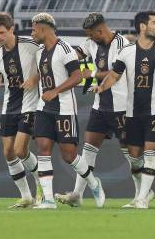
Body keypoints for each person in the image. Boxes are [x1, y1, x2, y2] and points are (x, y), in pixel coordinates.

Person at [54, 13, 155, 208]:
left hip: (122, 108)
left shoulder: (123, 44)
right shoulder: (91, 42)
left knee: (133, 155)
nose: (90, 38)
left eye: (92, 34)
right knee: (88, 150)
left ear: (100, 30)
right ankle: (77, 194)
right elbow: (76, 55)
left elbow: (118, 72)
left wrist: (90, 74)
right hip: (100, 107)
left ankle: (143, 193)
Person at [95, 11, 155, 209]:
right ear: (142, 26)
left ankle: (142, 199)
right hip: (132, 112)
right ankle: (141, 194)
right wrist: (101, 87)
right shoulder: (126, 52)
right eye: (154, 23)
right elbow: (114, 75)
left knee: (150, 153)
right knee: (134, 157)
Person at [30, 12, 105, 209]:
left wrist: (54, 91)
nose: (32, 32)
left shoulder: (65, 49)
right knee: (43, 149)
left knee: (69, 155)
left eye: (33, 28)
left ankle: (94, 183)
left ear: (43, 27)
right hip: (43, 108)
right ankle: (47, 199)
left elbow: (77, 76)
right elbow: (44, 74)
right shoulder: (39, 51)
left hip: (64, 108)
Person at [0, 12, 43, 209]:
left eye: (1, 32)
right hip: (9, 106)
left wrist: (35, 78)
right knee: (8, 152)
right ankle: (26, 196)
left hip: (31, 105)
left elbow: (49, 66)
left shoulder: (32, 46)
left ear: (11, 29)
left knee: (20, 149)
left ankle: (42, 185)